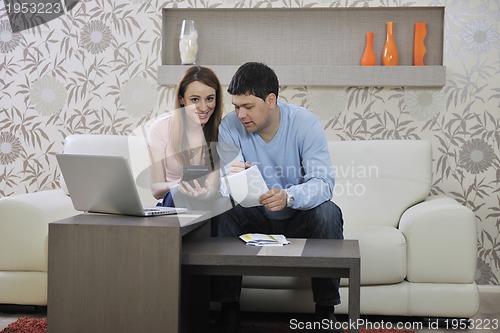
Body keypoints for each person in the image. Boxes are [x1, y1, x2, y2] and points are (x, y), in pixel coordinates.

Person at [212, 62, 344, 333]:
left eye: (248, 107)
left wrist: (289, 196)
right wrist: (231, 179)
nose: (241, 114)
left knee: (328, 212)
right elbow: (225, 189)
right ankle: (228, 309)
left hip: (297, 216)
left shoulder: (304, 123)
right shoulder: (229, 127)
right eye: (236, 106)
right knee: (223, 210)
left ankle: (325, 311)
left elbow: (323, 183)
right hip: (254, 215)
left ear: (271, 100)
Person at [147, 65, 223, 209]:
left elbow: (213, 188)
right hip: (174, 202)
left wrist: (205, 194)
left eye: (209, 99)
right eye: (195, 99)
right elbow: (156, 190)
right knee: (177, 194)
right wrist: (180, 184)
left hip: (207, 203)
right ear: (182, 99)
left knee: (223, 203)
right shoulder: (160, 128)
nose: (203, 107)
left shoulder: (222, 131)